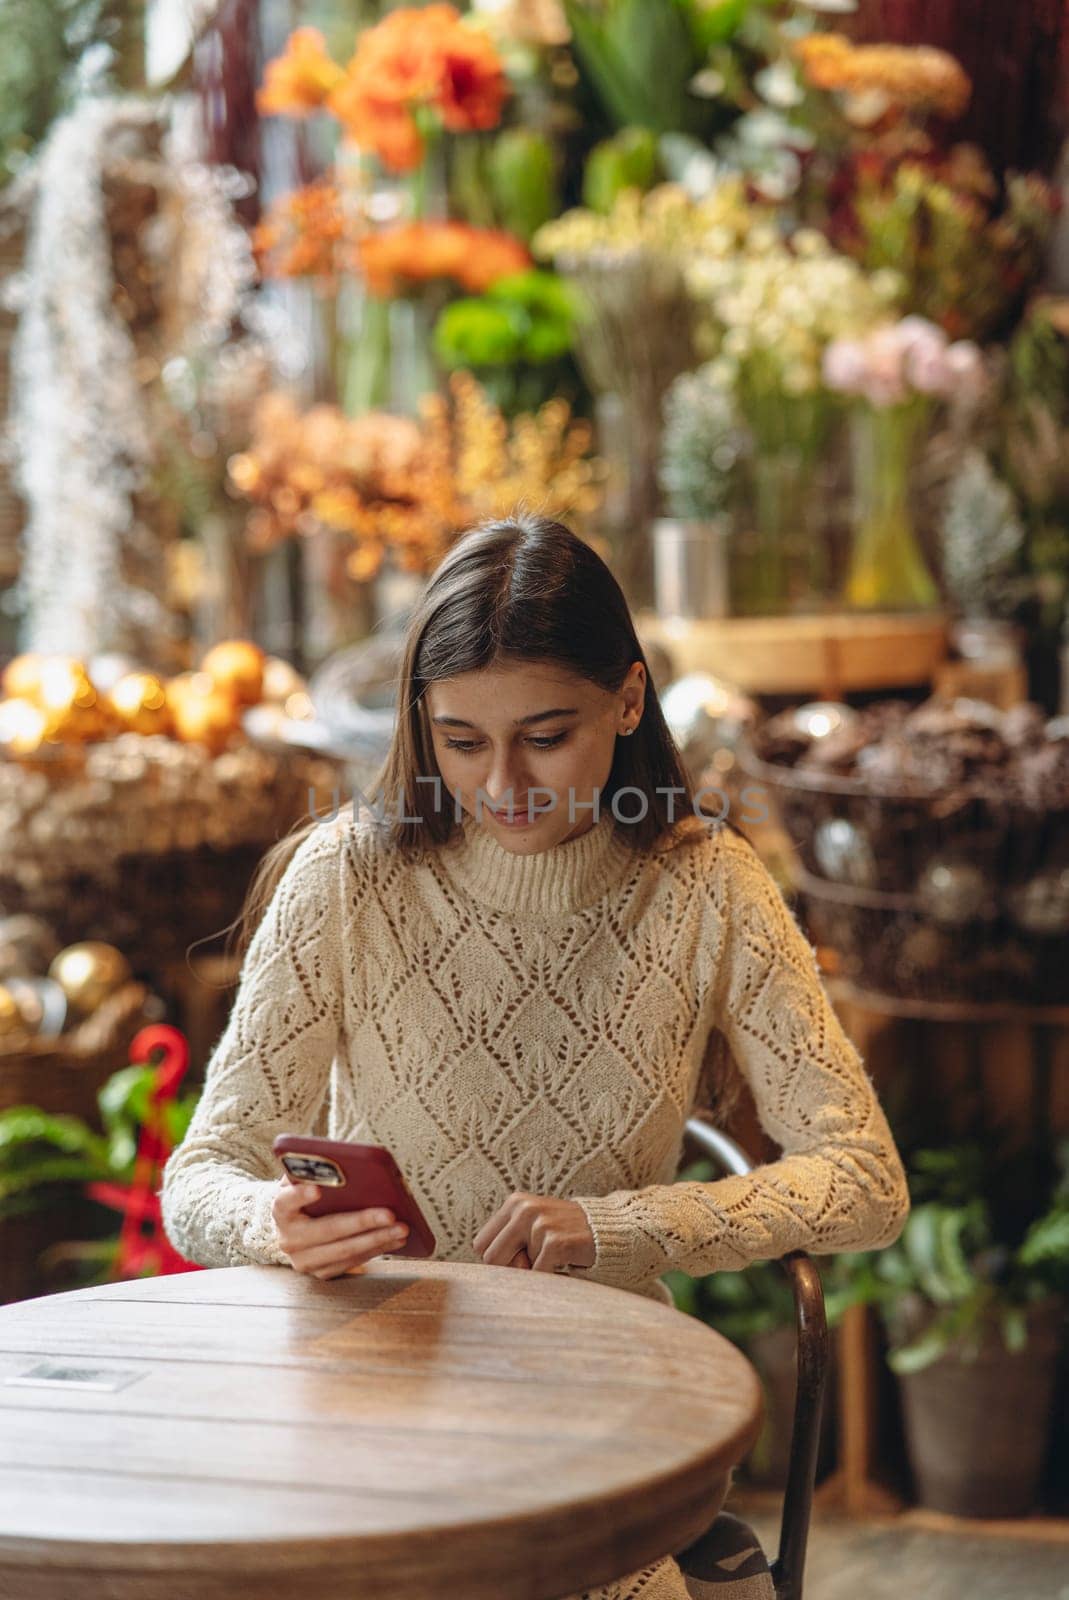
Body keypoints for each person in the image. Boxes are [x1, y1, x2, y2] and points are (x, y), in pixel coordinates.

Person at [160, 513, 910, 1600]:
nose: (502, 779)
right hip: (367, 1397)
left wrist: (614, 1226)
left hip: (598, 1404)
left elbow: (864, 1181)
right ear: (421, 723)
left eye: (545, 735)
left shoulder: (709, 888)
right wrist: (267, 1221)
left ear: (628, 699)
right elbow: (201, 1176)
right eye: (461, 741)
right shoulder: (343, 879)